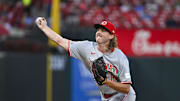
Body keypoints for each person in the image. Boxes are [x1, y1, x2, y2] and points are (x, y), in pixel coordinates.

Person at [35, 17, 136, 101]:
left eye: (103, 30)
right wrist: (44, 27)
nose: (99, 32)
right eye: (98, 29)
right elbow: (61, 41)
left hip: (124, 96)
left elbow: (126, 88)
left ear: (111, 36)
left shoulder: (120, 57)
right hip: (105, 96)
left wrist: (106, 81)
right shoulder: (86, 48)